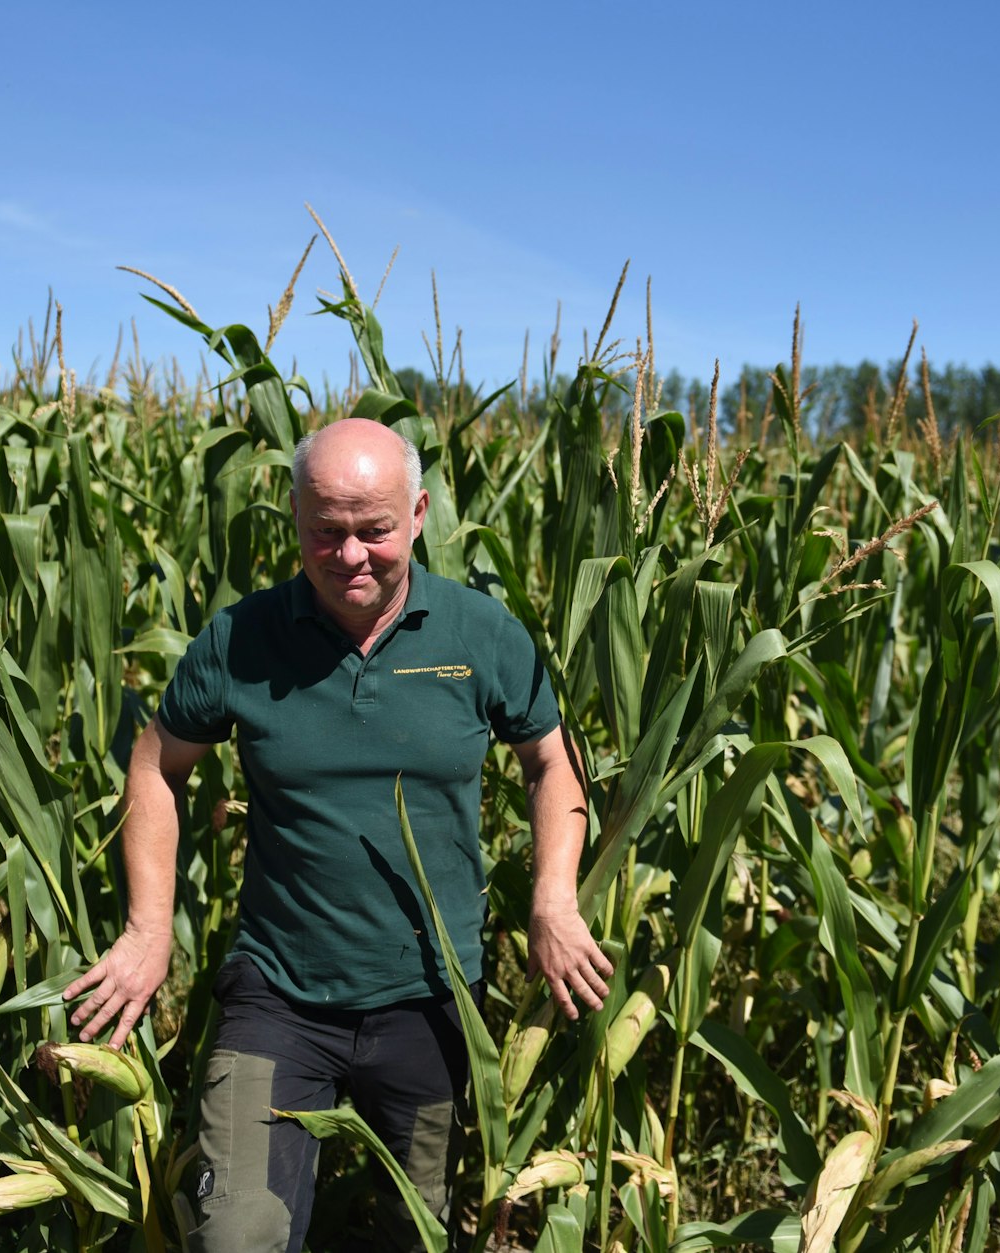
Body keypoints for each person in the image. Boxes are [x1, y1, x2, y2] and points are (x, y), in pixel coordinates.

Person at [65, 417, 612, 1252]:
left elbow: (553, 758)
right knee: (236, 1236)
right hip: (279, 996)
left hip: (431, 1001)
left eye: (374, 530)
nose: (350, 555)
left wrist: (554, 898)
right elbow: (155, 764)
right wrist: (148, 931)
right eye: (325, 531)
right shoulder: (243, 639)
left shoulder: (477, 633)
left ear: (419, 512)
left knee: (418, 1232)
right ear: (294, 518)